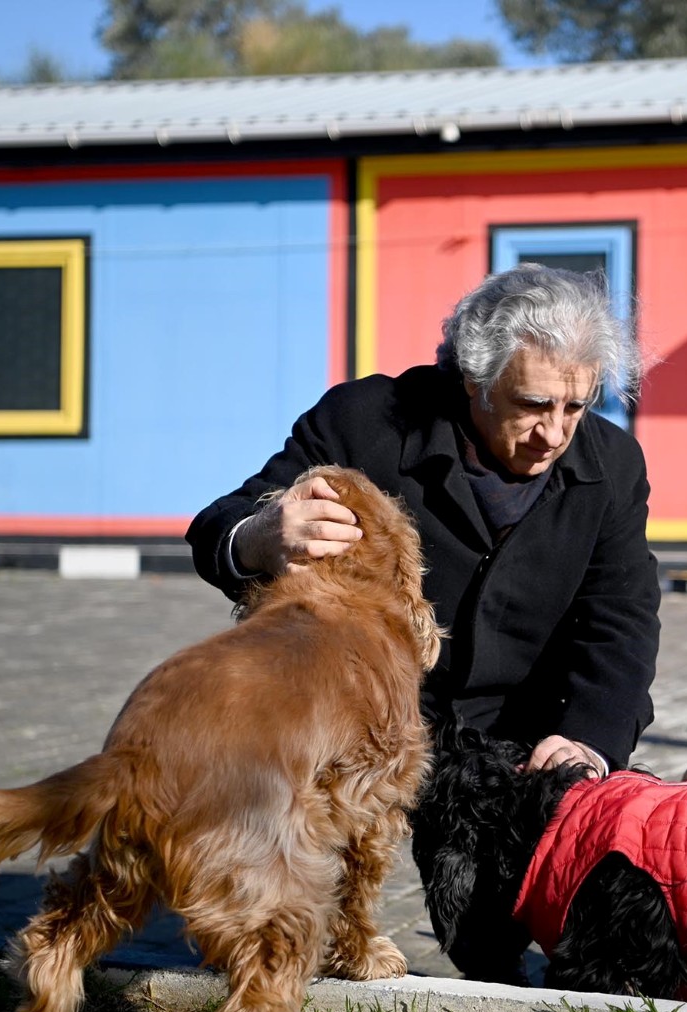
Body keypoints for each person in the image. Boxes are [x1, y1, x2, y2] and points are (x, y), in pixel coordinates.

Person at [186, 264, 660, 776]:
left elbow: (619, 615)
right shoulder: (365, 421)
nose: (554, 432)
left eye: (576, 406)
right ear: (474, 379)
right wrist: (258, 538)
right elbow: (223, 524)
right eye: (533, 404)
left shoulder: (614, 464)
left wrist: (588, 738)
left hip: (526, 740)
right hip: (363, 726)